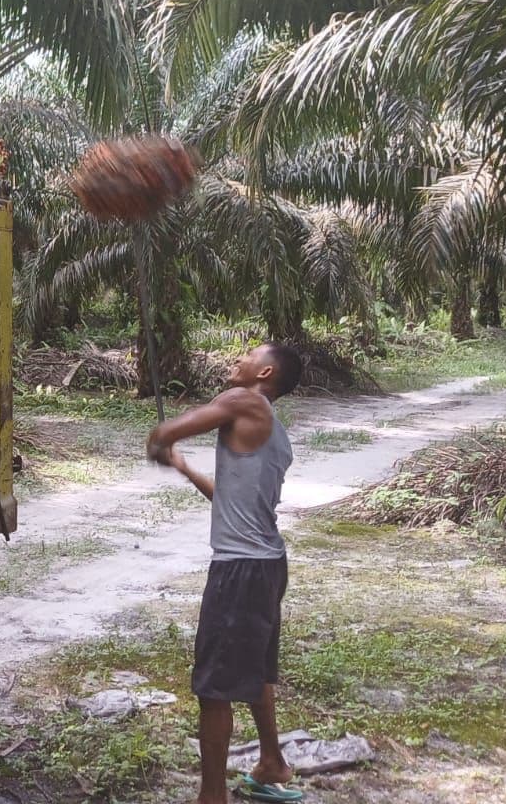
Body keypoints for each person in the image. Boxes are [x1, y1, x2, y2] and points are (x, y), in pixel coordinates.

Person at [145, 343, 304, 804]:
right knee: (255, 671)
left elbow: (165, 431)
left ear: (265, 372)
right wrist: (182, 466)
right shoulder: (272, 426)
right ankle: (271, 761)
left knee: (214, 689)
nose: (238, 360)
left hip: (240, 570)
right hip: (268, 564)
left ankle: (212, 796)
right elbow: (229, 498)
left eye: (248, 356)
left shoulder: (243, 401)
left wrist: (161, 443)